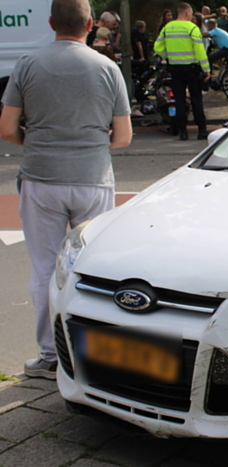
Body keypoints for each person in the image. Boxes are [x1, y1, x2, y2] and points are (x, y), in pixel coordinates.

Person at [0, 0, 131, 380]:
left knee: (44, 269)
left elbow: (7, 128)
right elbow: (122, 137)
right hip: (92, 180)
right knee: (90, 269)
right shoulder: (108, 68)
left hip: (41, 178)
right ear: (91, 24)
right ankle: (91, 354)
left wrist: (41, 142)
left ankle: (48, 356)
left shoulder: (27, 64)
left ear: (50, 23)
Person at [154, 2, 210, 140]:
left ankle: (183, 131)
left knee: (179, 100)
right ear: (186, 13)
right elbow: (200, 50)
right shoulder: (192, 28)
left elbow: (157, 47)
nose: (192, 16)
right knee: (196, 99)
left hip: (175, 68)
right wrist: (206, 69)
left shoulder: (167, 27)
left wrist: (168, 56)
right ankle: (201, 130)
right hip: (191, 68)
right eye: (191, 14)